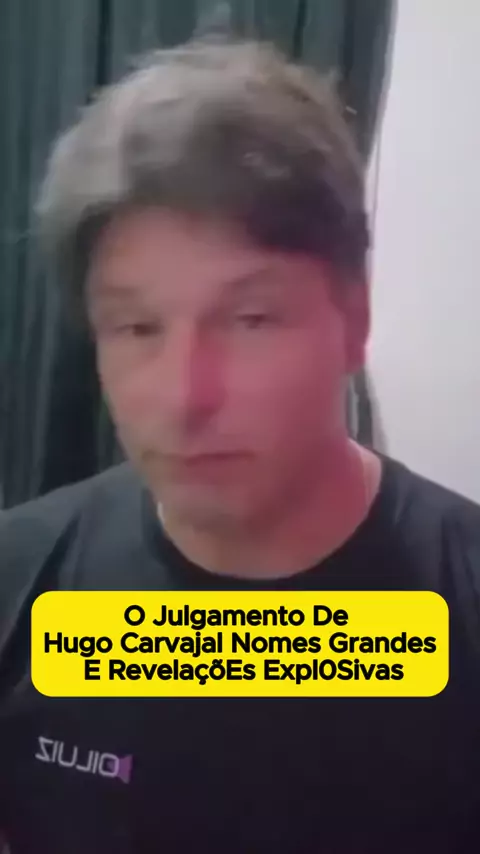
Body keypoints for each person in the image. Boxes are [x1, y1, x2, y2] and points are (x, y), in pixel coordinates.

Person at [1, 38, 479, 854]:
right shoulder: (16, 583)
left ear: (354, 322)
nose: (186, 396)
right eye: (137, 327)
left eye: (251, 319)